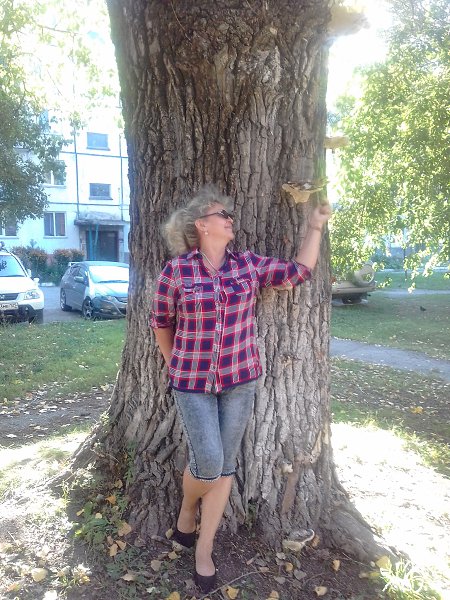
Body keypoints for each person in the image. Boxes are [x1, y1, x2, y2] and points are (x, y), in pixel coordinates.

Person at [150, 185, 331, 592]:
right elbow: (161, 321)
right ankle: (187, 509)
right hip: (191, 383)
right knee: (209, 463)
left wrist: (315, 226)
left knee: (225, 466)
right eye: (222, 214)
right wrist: (174, 363)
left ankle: (203, 549)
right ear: (202, 225)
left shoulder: (247, 265)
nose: (230, 219)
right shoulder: (176, 271)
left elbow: (298, 272)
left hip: (239, 381)